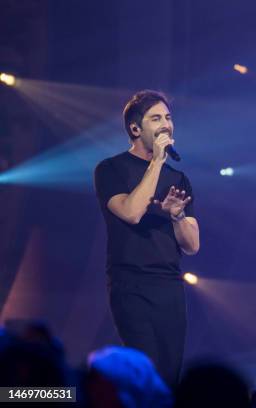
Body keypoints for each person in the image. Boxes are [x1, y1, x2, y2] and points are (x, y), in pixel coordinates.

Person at [94, 90, 200, 388]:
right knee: (145, 369)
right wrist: (156, 162)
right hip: (131, 284)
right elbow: (130, 212)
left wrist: (177, 216)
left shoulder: (178, 179)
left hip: (169, 285)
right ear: (136, 129)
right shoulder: (110, 169)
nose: (166, 124)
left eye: (168, 117)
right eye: (156, 118)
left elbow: (192, 246)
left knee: (169, 375)